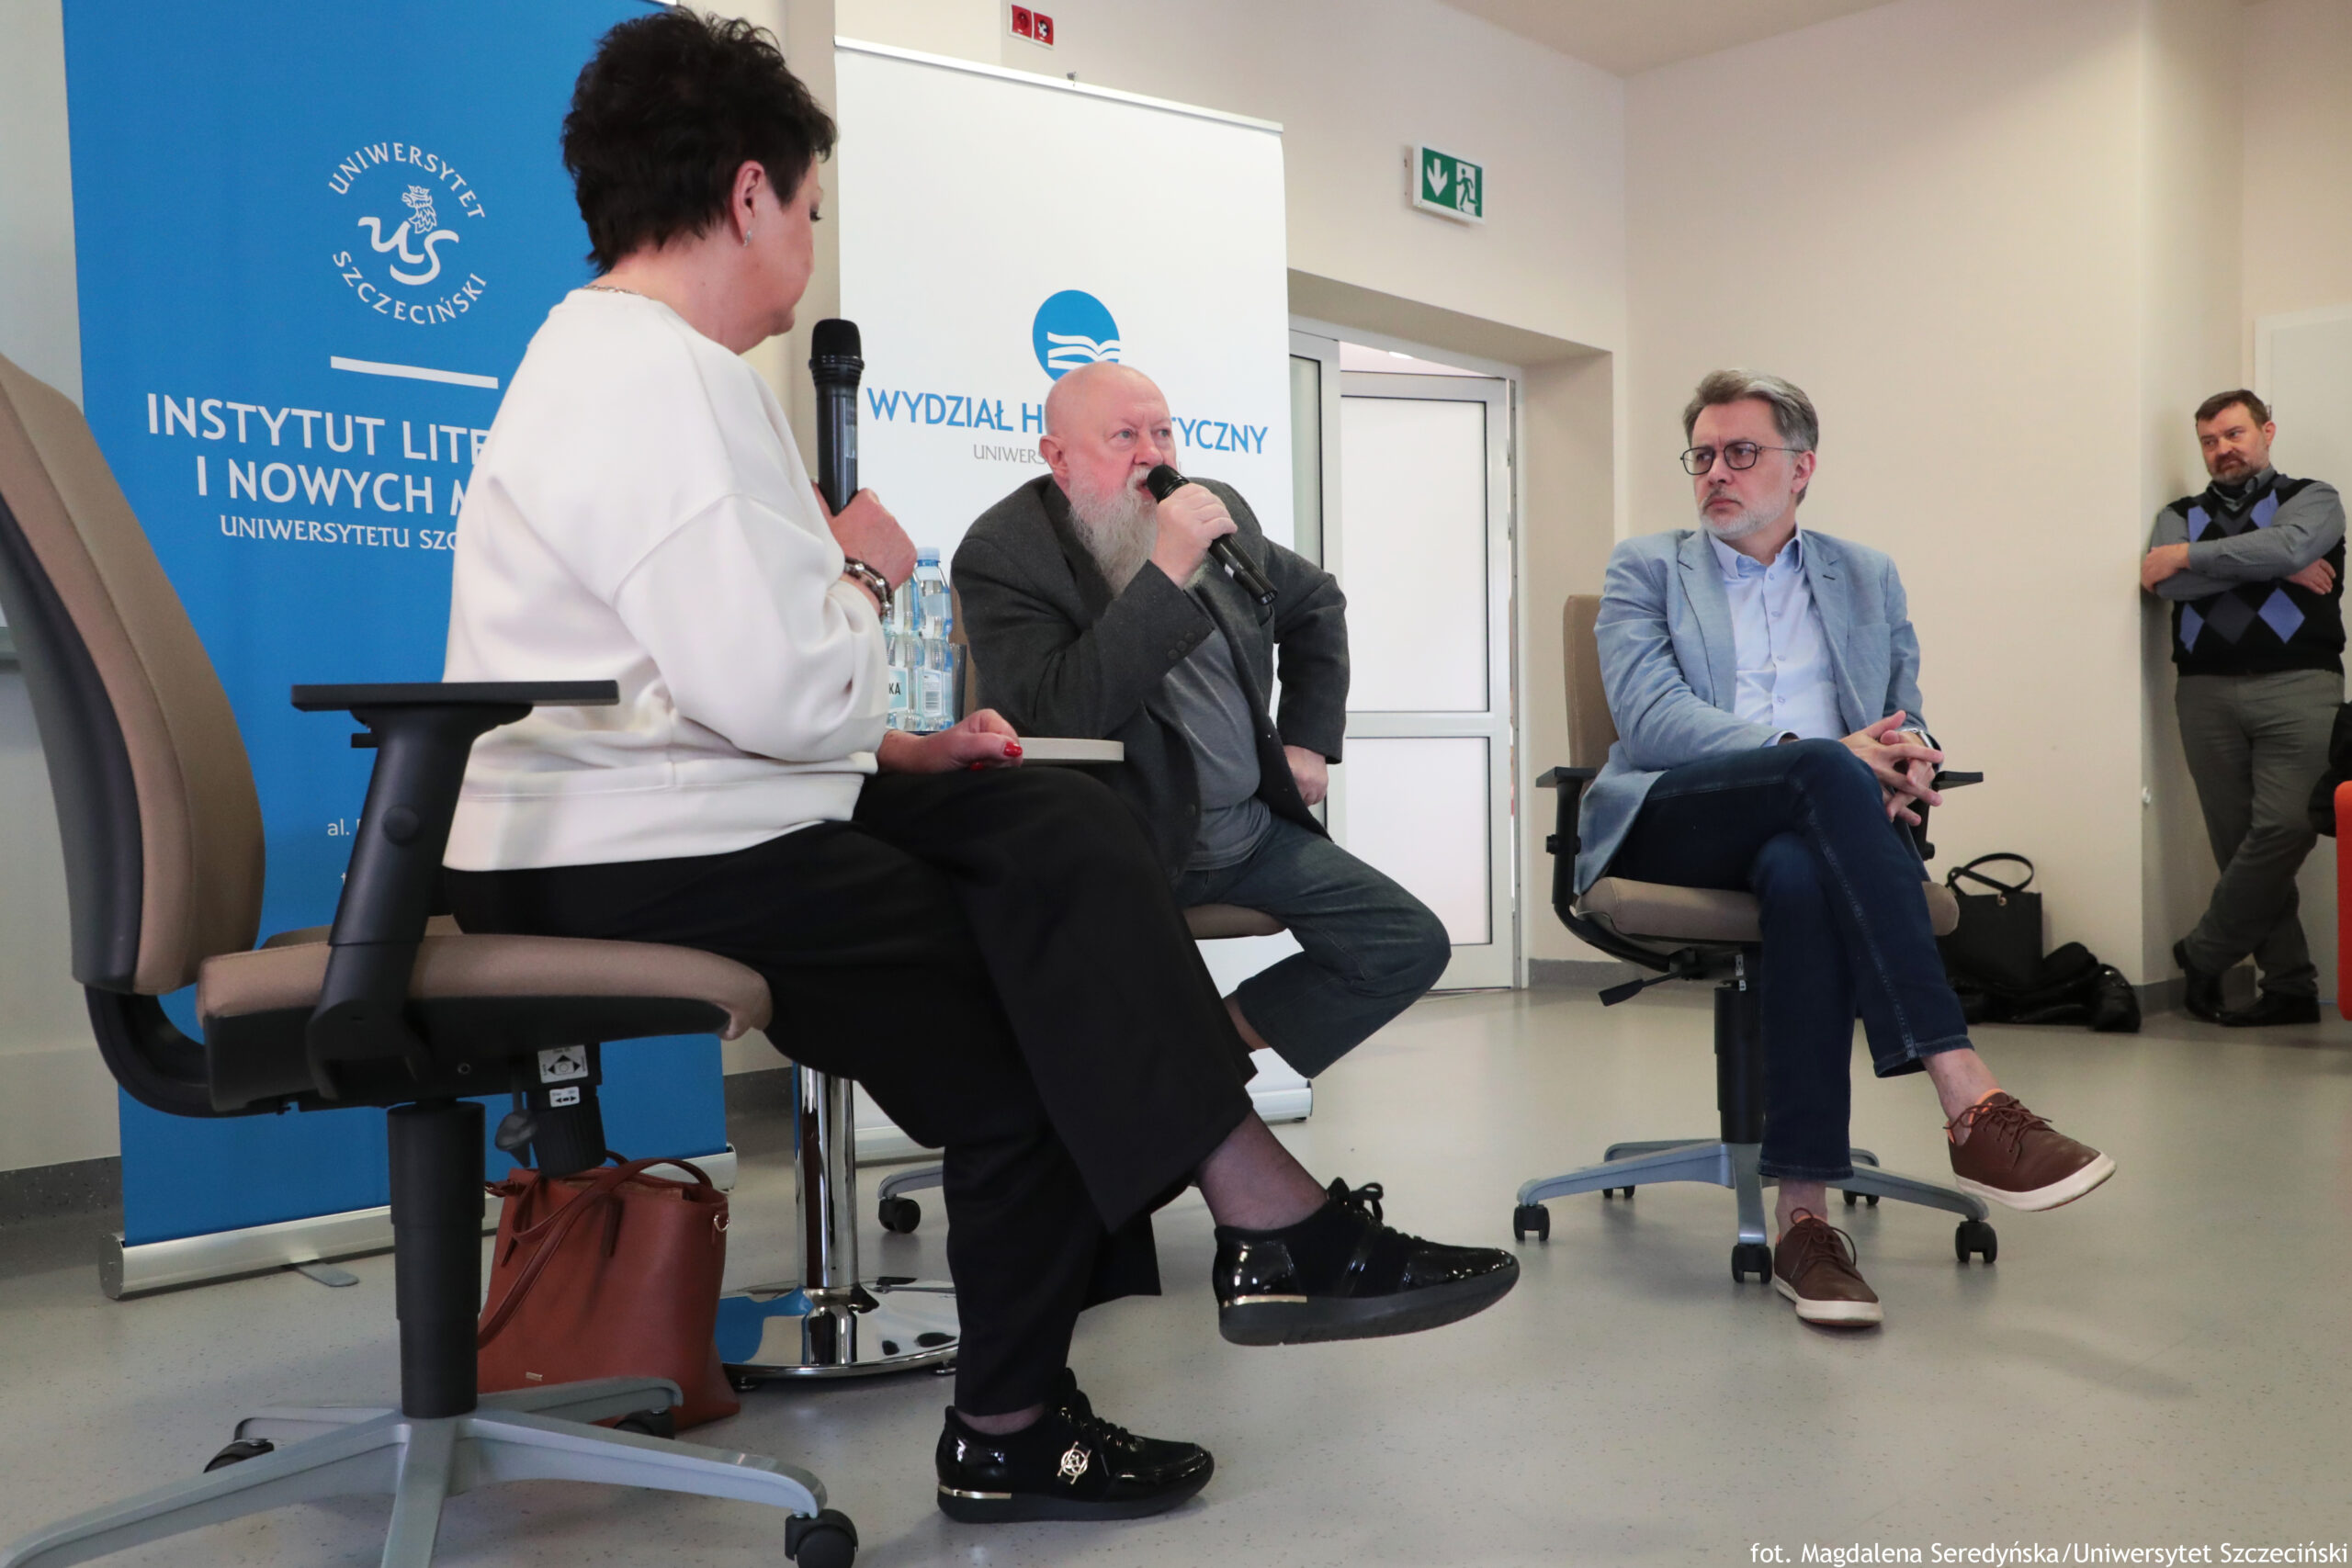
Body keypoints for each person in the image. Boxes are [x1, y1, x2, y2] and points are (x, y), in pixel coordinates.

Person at [436, 9, 1515, 1526]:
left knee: (1057, 824)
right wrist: (862, 575)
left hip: (650, 810)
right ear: (748, 194)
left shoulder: (613, 361)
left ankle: (1253, 1233)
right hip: (639, 843)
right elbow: (775, 686)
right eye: (810, 210)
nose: (807, 245)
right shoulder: (668, 382)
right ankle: (1060, 1389)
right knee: (1038, 1022)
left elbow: (703, 677)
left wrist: (896, 741)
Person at [1577, 369, 2115, 1329]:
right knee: (1823, 770)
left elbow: (1904, 714)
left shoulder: (1866, 575)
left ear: (1802, 468)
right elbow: (1653, 721)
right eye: (1702, 455)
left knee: (1800, 869)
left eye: (1742, 452)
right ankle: (1968, 1096)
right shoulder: (1647, 567)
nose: (1715, 473)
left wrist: (1910, 759)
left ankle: (1804, 1222)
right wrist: (1825, 755)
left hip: (1819, 826)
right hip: (1682, 817)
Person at [954, 361, 1452, 1081]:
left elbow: (1313, 602)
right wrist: (1165, 569)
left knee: (1407, 943)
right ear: (1058, 457)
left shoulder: (1212, 508)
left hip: (1252, 834)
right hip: (1127, 842)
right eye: (1124, 436)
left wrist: (1308, 739)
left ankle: (1200, 1051)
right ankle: (1160, 1095)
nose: (1151, 455)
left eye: (1162, 432)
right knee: (1081, 1024)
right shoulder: (1006, 551)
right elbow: (1060, 712)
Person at [2141, 389, 2346, 1027]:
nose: (2222, 449)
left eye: (2234, 434)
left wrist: (2195, 556)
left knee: (2288, 826)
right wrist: (2275, 563)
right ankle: (2289, 986)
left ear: (2267, 432)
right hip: (2204, 692)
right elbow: (2165, 581)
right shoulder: (2177, 513)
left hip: (2301, 686)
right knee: (2237, 845)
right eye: (2209, 440)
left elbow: (2290, 546)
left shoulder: (2313, 499)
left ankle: (2204, 952)